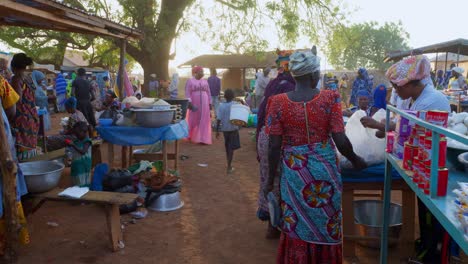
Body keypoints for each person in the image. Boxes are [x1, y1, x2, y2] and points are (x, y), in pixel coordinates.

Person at [266, 49, 366, 264]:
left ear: (293, 75)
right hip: (324, 171)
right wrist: (357, 160)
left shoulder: (277, 102)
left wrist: (269, 181)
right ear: (314, 75)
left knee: (297, 221)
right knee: (326, 219)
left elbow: (274, 146)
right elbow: (340, 140)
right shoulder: (330, 98)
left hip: (294, 174)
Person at [256, 50, 295, 238]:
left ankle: (271, 225)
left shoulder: (272, 84)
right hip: (279, 139)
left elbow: (261, 117)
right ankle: (282, 227)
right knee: (283, 182)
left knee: (268, 180)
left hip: (265, 136)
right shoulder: (291, 87)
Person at [0, 75, 30, 254]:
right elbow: (12, 111)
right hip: (2, 143)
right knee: (6, 181)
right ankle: (8, 239)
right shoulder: (2, 81)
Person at [10, 53, 39, 160]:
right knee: (29, 149)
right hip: (32, 117)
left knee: (21, 152)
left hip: (21, 120)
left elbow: (16, 101)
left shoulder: (16, 79)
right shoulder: (28, 78)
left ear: (13, 66)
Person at [185, 66, 212, 145]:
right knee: (193, 119)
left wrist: (210, 103)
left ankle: (202, 138)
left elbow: (208, 92)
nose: (202, 73)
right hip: (194, 103)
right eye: (201, 71)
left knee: (204, 119)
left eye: (203, 71)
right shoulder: (190, 81)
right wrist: (189, 102)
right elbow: (187, 92)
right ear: (195, 72)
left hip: (205, 104)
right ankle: (190, 134)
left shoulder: (205, 81)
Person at [216, 89, 240, 174]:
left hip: (225, 129)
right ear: (233, 96)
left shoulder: (221, 106)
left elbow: (218, 119)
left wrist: (217, 130)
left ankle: (229, 164)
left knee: (227, 146)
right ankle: (229, 166)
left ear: (225, 97)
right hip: (233, 128)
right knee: (231, 148)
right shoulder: (235, 104)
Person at [66, 121, 92, 187]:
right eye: (75, 134)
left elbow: (83, 152)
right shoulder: (77, 141)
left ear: (84, 132)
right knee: (76, 180)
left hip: (84, 165)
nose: (76, 135)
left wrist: (73, 145)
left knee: (82, 181)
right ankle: (77, 192)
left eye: (77, 134)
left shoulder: (87, 141)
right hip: (76, 164)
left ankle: (83, 193)